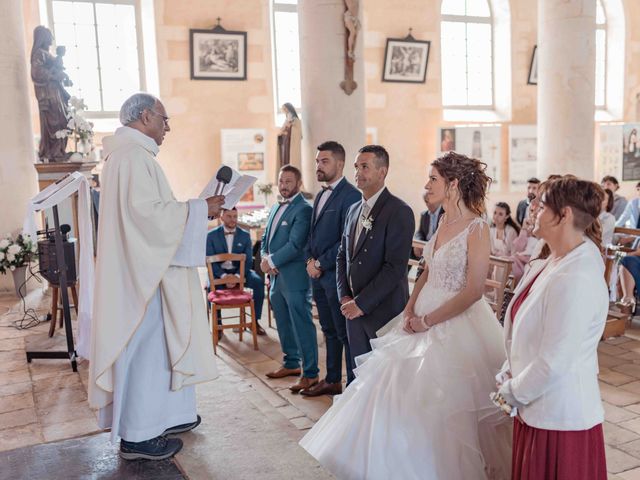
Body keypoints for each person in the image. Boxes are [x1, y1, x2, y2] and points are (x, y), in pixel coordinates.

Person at [301, 152, 512, 479]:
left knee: (445, 405)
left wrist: (429, 320)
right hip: (421, 312)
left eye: (433, 179)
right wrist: (411, 307)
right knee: (394, 389)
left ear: (453, 185)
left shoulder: (476, 228)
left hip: (457, 322)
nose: (426, 185)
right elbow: (428, 270)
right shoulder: (442, 220)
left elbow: (472, 291)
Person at [89, 93, 225, 460]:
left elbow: (151, 214)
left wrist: (194, 212)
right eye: (164, 120)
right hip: (143, 279)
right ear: (145, 116)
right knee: (147, 352)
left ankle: (170, 416)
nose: (167, 128)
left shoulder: (131, 156)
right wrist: (199, 209)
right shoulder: (132, 157)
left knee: (160, 348)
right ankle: (138, 436)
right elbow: (148, 218)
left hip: (147, 271)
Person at [497, 176, 608, 480]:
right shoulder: (553, 260)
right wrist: (510, 367)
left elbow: (554, 361)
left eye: (543, 205)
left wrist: (510, 392)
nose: (533, 209)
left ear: (564, 215)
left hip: (560, 420)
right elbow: (526, 328)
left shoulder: (578, 276)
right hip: (537, 407)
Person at [335, 145, 414, 368]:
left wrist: (361, 303)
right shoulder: (352, 210)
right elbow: (343, 255)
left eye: (365, 167)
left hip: (383, 312)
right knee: (359, 375)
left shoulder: (399, 211)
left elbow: (395, 268)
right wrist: (344, 296)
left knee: (384, 377)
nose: (358, 172)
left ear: (382, 171)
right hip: (353, 311)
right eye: (356, 167)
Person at [302, 141, 361, 395]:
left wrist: (320, 263)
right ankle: (332, 378)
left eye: (324, 161)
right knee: (327, 330)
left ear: (340, 163)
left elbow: (345, 239)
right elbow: (312, 233)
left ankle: (351, 386)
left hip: (335, 276)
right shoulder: (320, 194)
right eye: (317, 161)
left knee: (343, 332)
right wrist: (308, 261)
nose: (319, 165)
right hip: (317, 275)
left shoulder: (351, 195)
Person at [261, 165, 318, 393]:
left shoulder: (303, 209)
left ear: (299, 183)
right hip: (276, 277)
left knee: (301, 324)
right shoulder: (276, 206)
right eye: (281, 181)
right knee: (283, 322)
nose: (284, 185)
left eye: (288, 181)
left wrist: (272, 261)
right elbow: (266, 238)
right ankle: (291, 363)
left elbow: (295, 245)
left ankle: (310, 373)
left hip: (295, 278)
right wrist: (266, 257)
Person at [206, 207, 266, 336]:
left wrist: (237, 277)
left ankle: (255, 321)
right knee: (209, 286)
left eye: (235, 216)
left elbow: (249, 260)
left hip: (241, 272)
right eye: (229, 216)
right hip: (218, 273)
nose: (233, 220)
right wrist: (224, 276)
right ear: (221, 217)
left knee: (258, 282)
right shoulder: (211, 236)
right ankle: (218, 324)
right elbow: (209, 261)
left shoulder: (244, 235)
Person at [30, 26, 71, 162]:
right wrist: (54, 76)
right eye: (49, 36)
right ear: (43, 37)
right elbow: (37, 72)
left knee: (63, 120)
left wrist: (59, 58)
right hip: (48, 94)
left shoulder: (46, 54)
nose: (52, 39)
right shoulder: (39, 53)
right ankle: (53, 152)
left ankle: (59, 151)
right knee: (56, 122)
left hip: (56, 91)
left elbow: (56, 66)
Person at [412, 189, 444, 278]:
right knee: (410, 249)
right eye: (426, 201)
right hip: (424, 245)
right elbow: (419, 232)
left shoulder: (444, 214)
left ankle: (420, 278)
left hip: (436, 247)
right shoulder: (424, 215)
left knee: (426, 257)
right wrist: (417, 242)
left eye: (429, 200)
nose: (428, 203)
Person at [277, 103, 302, 169]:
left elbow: (295, 129)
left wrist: (288, 128)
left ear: (289, 108)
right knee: (285, 157)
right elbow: (284, 128)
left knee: (290, 157)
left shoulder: (294, 119)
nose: (284, 110)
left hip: (291, 140)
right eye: (283, 109)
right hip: (286, 140)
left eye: (285, 108)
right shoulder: (287, 118)